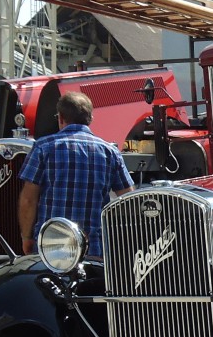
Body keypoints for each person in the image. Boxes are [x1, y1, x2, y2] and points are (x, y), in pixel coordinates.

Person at [18, 91, 133, 258]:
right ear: (90, 119)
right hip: (93, 248)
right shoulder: (110, 152)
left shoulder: (43, 147)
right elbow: (128, 198)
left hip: (50, 249)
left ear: (60, 118)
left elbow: (29, 199)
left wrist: (26, 237)